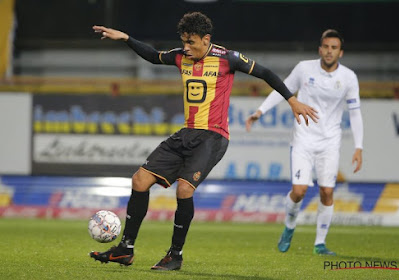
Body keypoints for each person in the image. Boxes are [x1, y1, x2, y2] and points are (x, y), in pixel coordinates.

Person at [90, 12, 318, 271]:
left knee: (184, 190)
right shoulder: (180, 56)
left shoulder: (228, 58)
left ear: (206, 39)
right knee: (139, 180)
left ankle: (174, 255)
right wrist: (126, 38)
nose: (186, 48)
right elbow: (153, 56)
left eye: (191, 42)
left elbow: (265, 72)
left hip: (213, 135)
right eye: (184, 42)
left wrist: (292, 100)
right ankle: (125, 249)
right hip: (187, 133)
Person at [246, 29, 363, 256]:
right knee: (298, 191)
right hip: (303, 139)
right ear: (320, 49)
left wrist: (359, 146)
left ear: (341, 52)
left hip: (330, 142)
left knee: (327, 192)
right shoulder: (303, 69)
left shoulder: (349, 78)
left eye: (334, 48)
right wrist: (259, 111)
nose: (329, 51)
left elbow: (355, 113)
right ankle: (289, 227)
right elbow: (282, 90)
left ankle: (320, 243)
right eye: (326, 47)